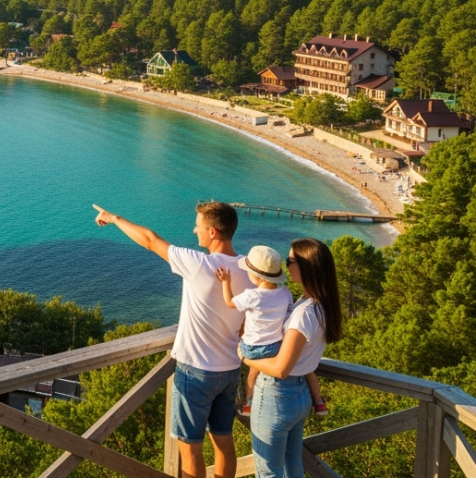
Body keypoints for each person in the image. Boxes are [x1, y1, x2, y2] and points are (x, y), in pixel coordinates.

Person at [93, 202, 251, 478]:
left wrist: (115, 218)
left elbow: (151, 240)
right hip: (230, 370)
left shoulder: (200, 264)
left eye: (198, 226)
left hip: (197, 371)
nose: (194, 230)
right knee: (224, 441)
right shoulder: (249, 268)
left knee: (190, 448)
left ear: (212, 232)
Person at [244, 238, 344, 478]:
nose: (286, 265)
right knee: (292, 468)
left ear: (305, 266)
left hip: (277, 394)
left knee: (268, 472)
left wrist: (244, 357)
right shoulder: (319, 306)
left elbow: (280, 368)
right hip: (300, 396)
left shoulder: (304, 314)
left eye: (290, 260)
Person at [214, 246, 327, 417]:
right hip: (276, 346)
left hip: (255, 351)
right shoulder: (287, 293)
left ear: (255, 276)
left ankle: (249, 404)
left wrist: (225, 282)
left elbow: (230, 302)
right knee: (309, 371)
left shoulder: (253, 295)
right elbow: (287, 313)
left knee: (251, 375)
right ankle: (319, 403)